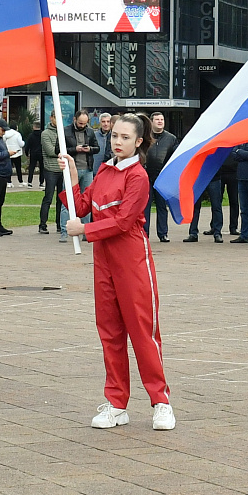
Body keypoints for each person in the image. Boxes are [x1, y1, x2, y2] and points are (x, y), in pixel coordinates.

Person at [62, 112, 173, 431]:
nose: (118, 142)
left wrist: (84, 229)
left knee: (143, 332)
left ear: (139, 142)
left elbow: (124, 220)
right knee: (110, 332)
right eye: (114, 136)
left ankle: (161, 401)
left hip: (132, 261)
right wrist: (71, 176)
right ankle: (116, 404)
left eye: (125, 137)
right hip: (104, 262)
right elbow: (81, 205)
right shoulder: (105, 170)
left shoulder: (138, 176)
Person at [144, 113, 179, 242]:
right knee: (145, 206)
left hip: (162, 176)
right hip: (146, 175)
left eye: (162, 119)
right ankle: (144, 232)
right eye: (157, 119)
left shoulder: (171, 138)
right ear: (151, 122)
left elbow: (175, 156)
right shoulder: (145, 136)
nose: (160, 122)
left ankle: (163, 233)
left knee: (162, 206)